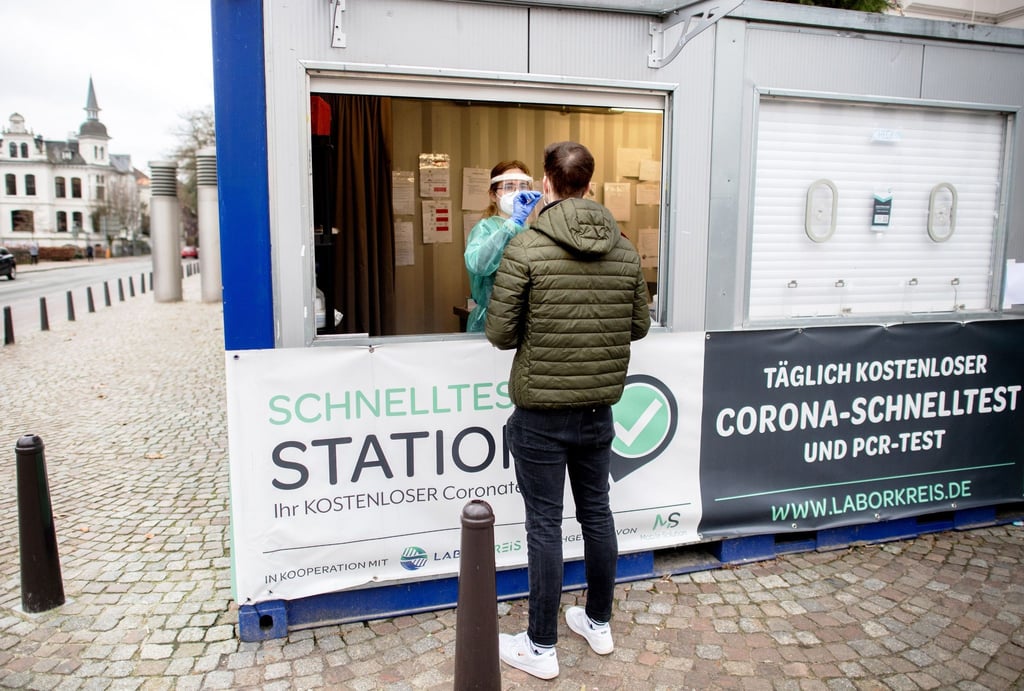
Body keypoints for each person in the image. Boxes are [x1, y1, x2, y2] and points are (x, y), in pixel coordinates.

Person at [486, 141, 651, 679]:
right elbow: (639, 325)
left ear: (547, 182)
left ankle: (541, 646)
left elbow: (500, 332)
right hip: (598, 411)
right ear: (589, 182)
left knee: (544, 526)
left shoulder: (528, 246)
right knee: (597, 514)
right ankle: (597, 622)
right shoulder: (624, 249)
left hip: (539, 413)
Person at [462, 161, 542, 332]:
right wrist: (510, 226)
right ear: (492, 195)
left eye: (522, 186)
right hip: (490, 323)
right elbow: (478, 264)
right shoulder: (485, 228)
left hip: (528, 324)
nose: (517, 193)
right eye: (509, 186)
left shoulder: (532, 232)